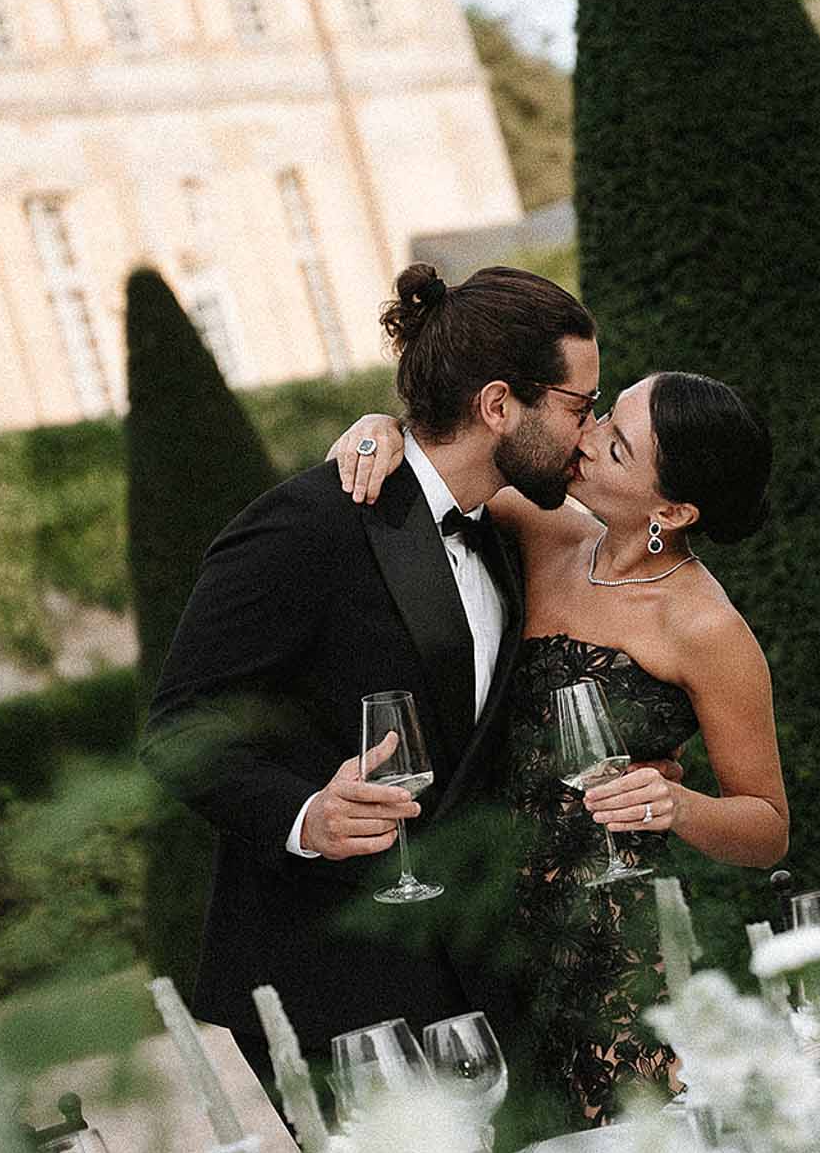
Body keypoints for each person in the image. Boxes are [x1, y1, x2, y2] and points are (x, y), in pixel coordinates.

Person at [143, 264, 602, 1084]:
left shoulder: (503, 529)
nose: (589, 431)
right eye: (578, 407)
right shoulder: (305, 526)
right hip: (338, 992)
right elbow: (179, 729)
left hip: (481, 974)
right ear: (498, 406)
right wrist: (306, 814)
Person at [330, 359, 788, 1130]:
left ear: (671, 512)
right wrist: (381, 429)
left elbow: (768, 826)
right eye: (606, 414)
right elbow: (449, 462)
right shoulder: (549, 534)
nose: (588, 434)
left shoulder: (705, 627)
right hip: (494, 943)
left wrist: (674, 803)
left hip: (614, 954)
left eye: (616, 448)